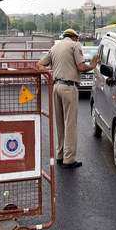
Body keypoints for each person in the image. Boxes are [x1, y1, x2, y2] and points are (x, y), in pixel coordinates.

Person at [38, 29, 98, 169]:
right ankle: (69, 159)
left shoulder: (54, 47)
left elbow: (39, 64)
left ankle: (60, 155)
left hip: (56, 86)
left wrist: (49, 75)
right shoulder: (75, 45)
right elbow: (81, 67)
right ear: (74, 37)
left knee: (59, 123)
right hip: (69, 87)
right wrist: (93, 65)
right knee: (70, 124)